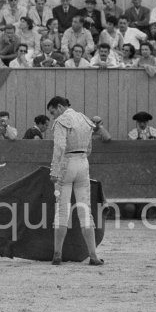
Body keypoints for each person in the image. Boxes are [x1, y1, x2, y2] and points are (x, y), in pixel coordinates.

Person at [47, 96, 103, 266]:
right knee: (85, 210)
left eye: (52, 112)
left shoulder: (61, 121)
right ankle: (93, 256)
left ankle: (57, 254)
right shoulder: (85, 119)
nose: (53, 116)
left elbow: (60, 147)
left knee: (62, 210)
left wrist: (55, 170)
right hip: (83, 164)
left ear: (59, 107)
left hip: (66, 164)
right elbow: (89, 149)